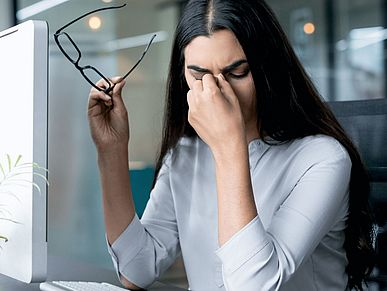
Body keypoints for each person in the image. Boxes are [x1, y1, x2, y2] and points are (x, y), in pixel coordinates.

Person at [87, 0, 375, 290]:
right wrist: (111, 152)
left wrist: (228, 147)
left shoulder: (323, 158)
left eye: (237, 73)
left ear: (267, 68)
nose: (215, 91)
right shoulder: (186, 154)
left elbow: (252, 284)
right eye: (199, 76)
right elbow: (136, 270)